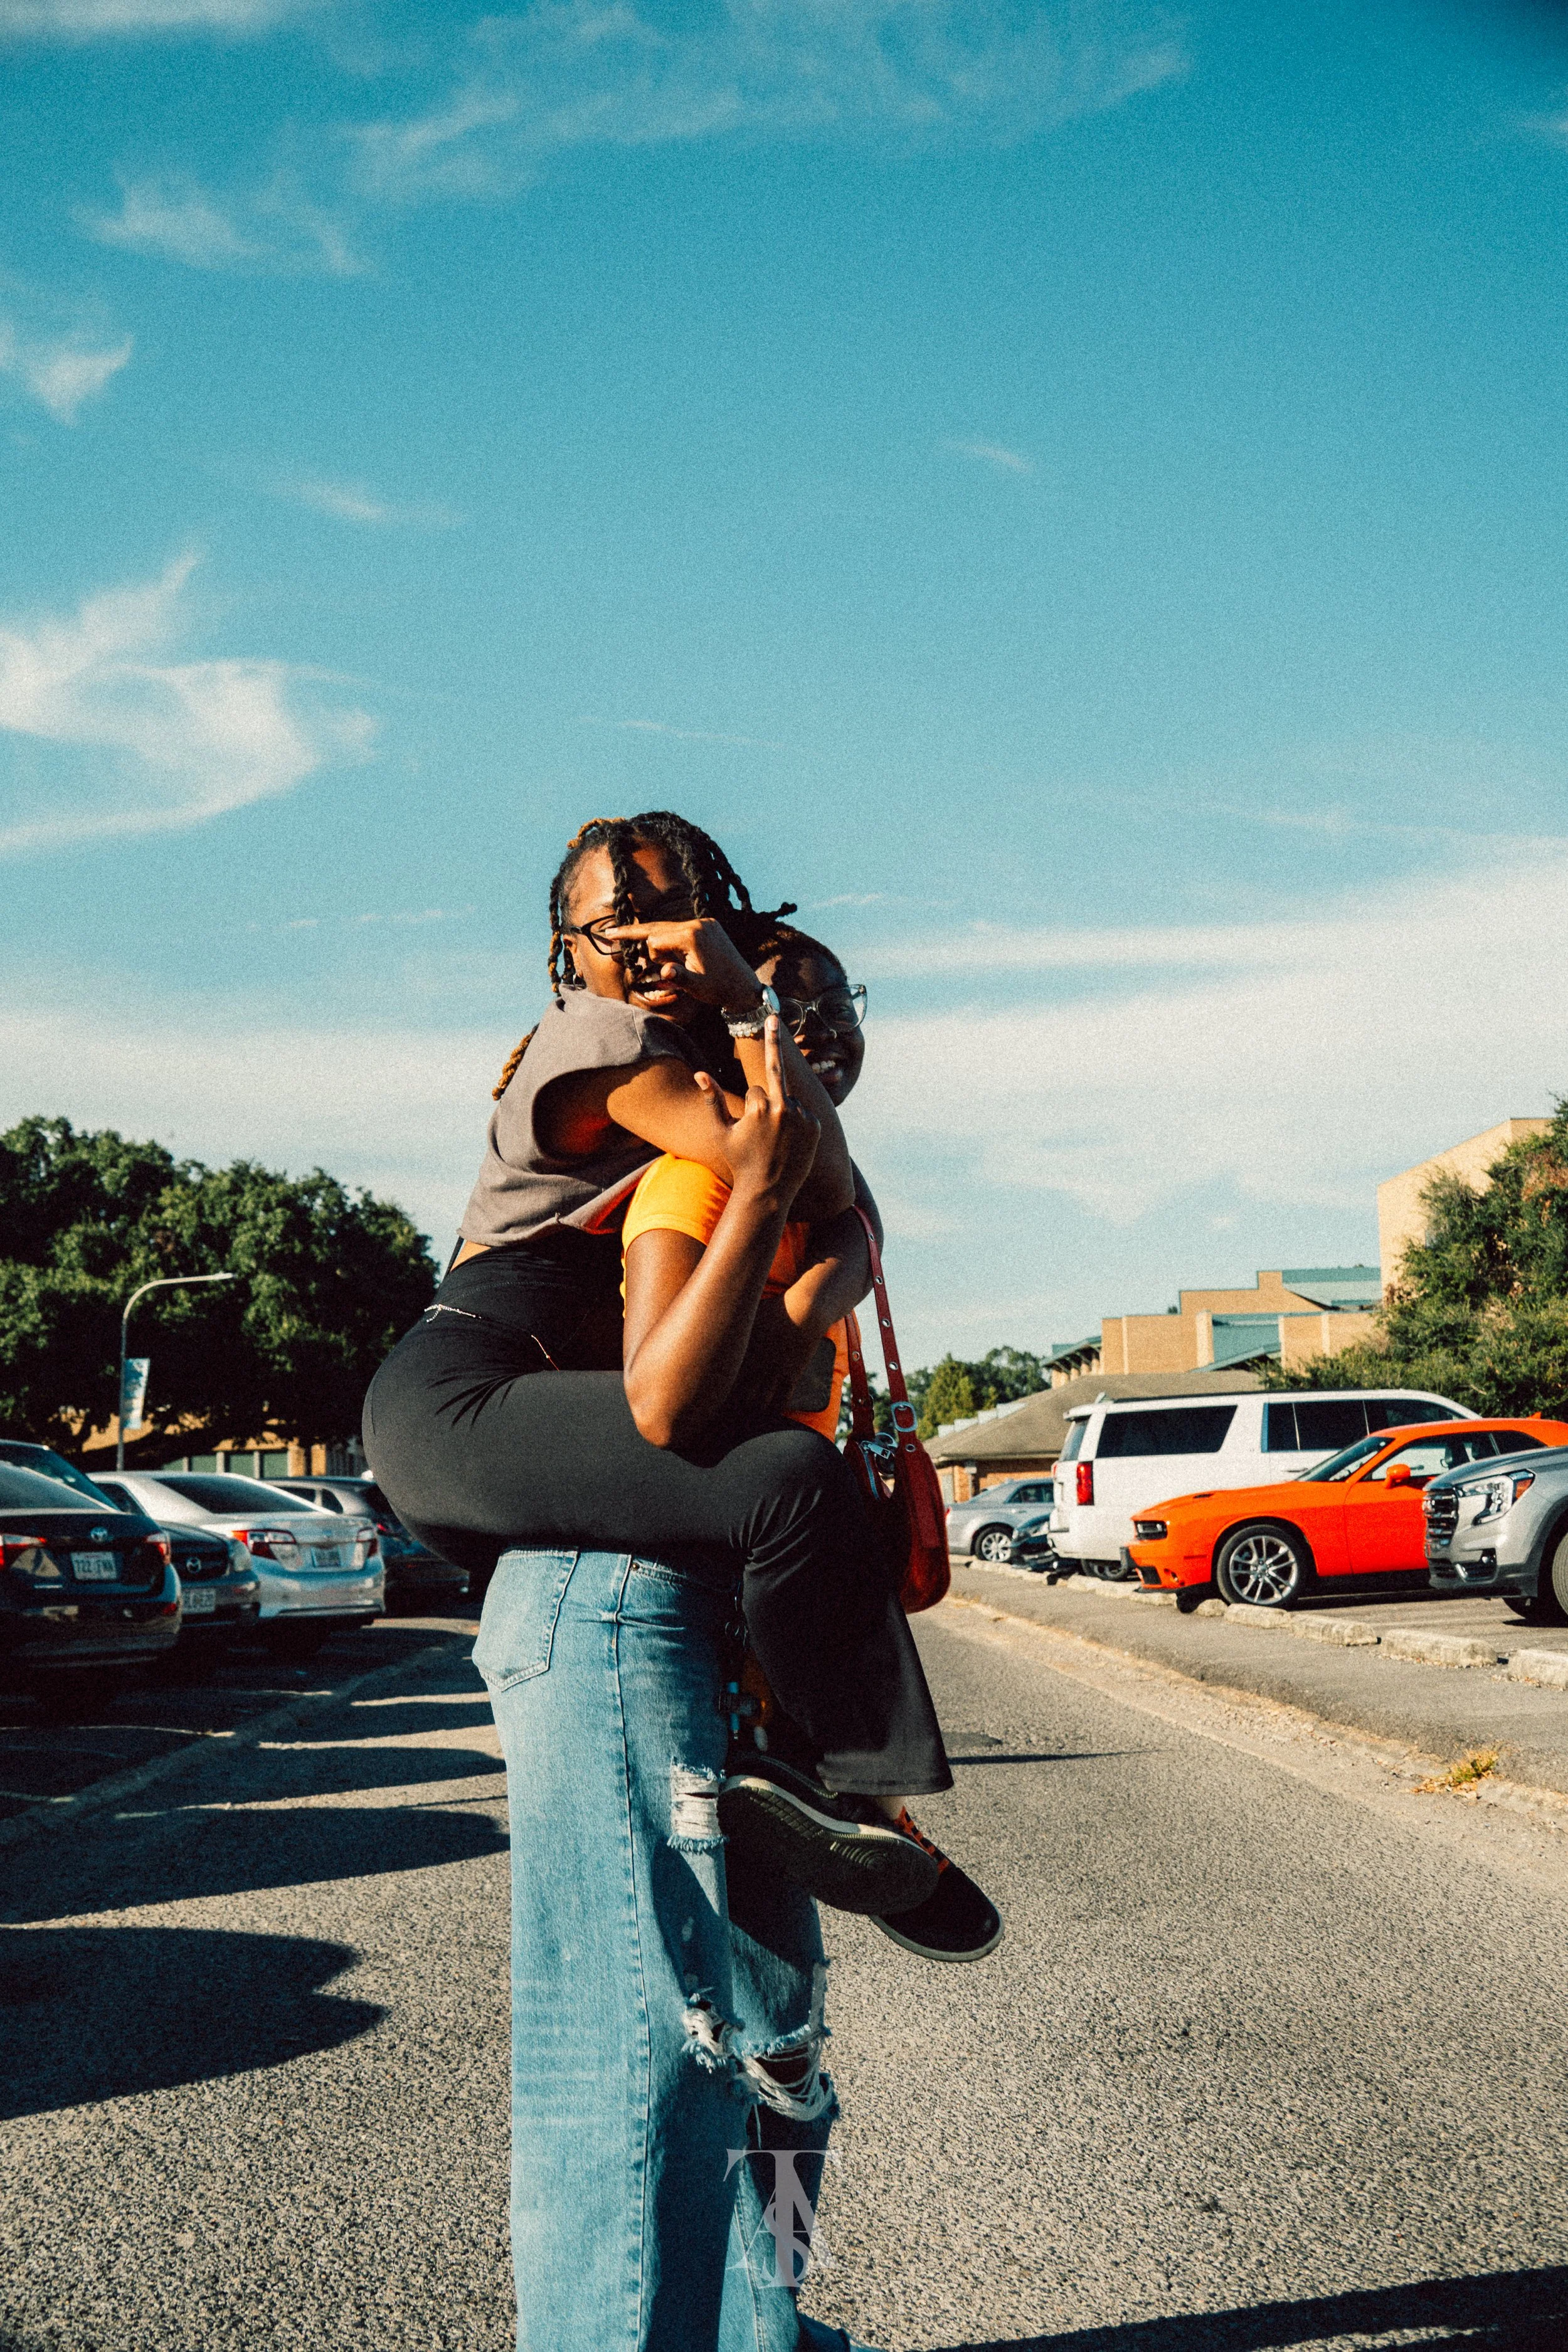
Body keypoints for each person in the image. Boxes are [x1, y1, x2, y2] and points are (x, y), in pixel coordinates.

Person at [365, 810, 951, 1909]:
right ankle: (857, 1791)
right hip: (463, 1393)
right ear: (568, 946)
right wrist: (742, 1002)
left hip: (531, 1392)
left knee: (763, 1491)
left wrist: (842, 1233)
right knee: (786, 1483)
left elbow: (825, 1192)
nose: (642, 939)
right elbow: (795, 1171)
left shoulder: (691, 1065)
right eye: (615, 919)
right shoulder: (598, 1035)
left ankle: (801, 1803)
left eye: (668, 910)